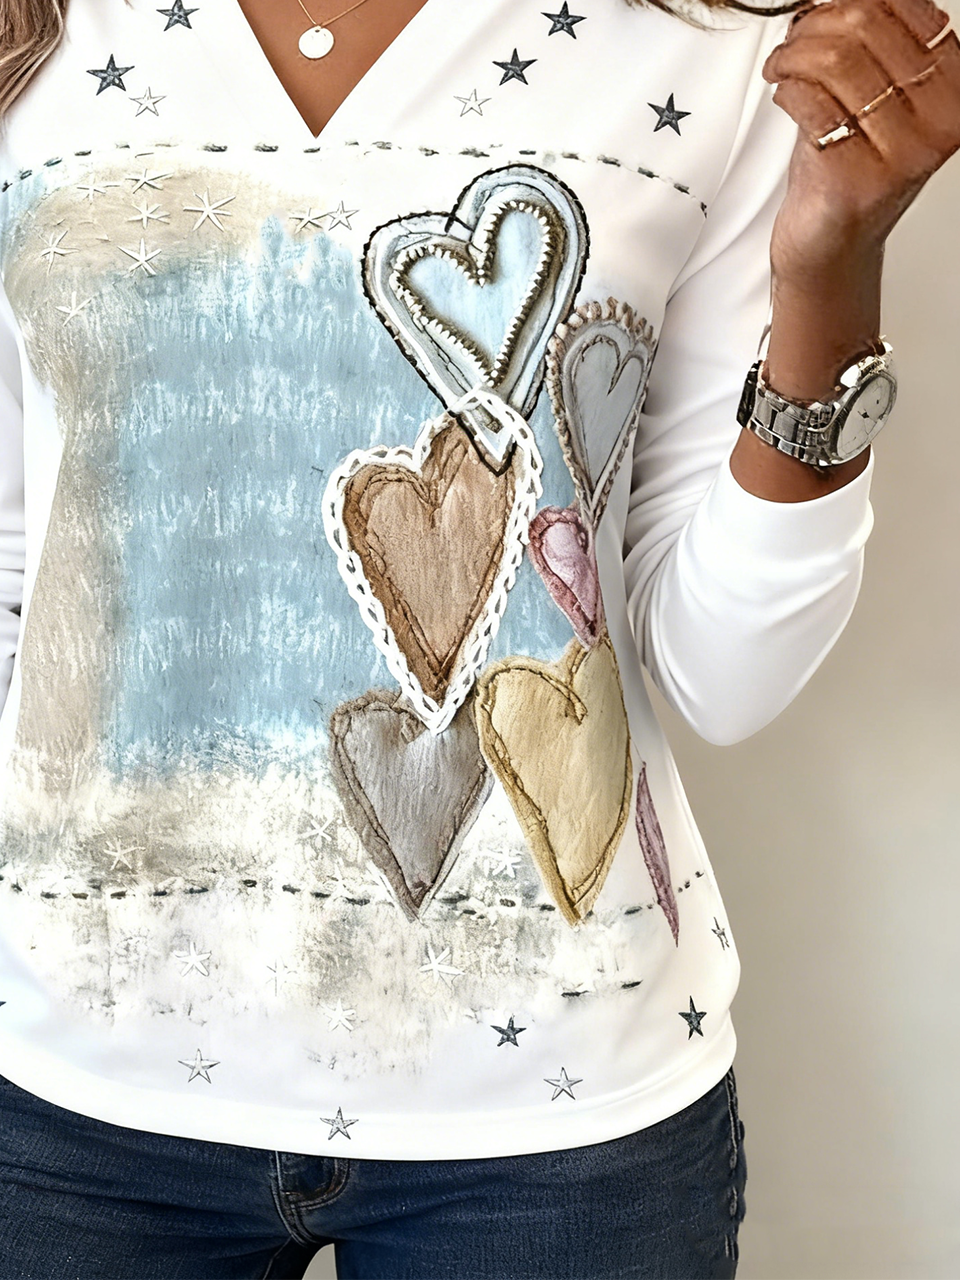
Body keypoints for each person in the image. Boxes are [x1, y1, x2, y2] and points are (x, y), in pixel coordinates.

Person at [0, 0, 955, 1277]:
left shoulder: (717, 58)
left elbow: (717, 675)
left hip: (554, 1118)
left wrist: (832, 270)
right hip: (65, 1094)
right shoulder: (38, 31)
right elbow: (23, 559)